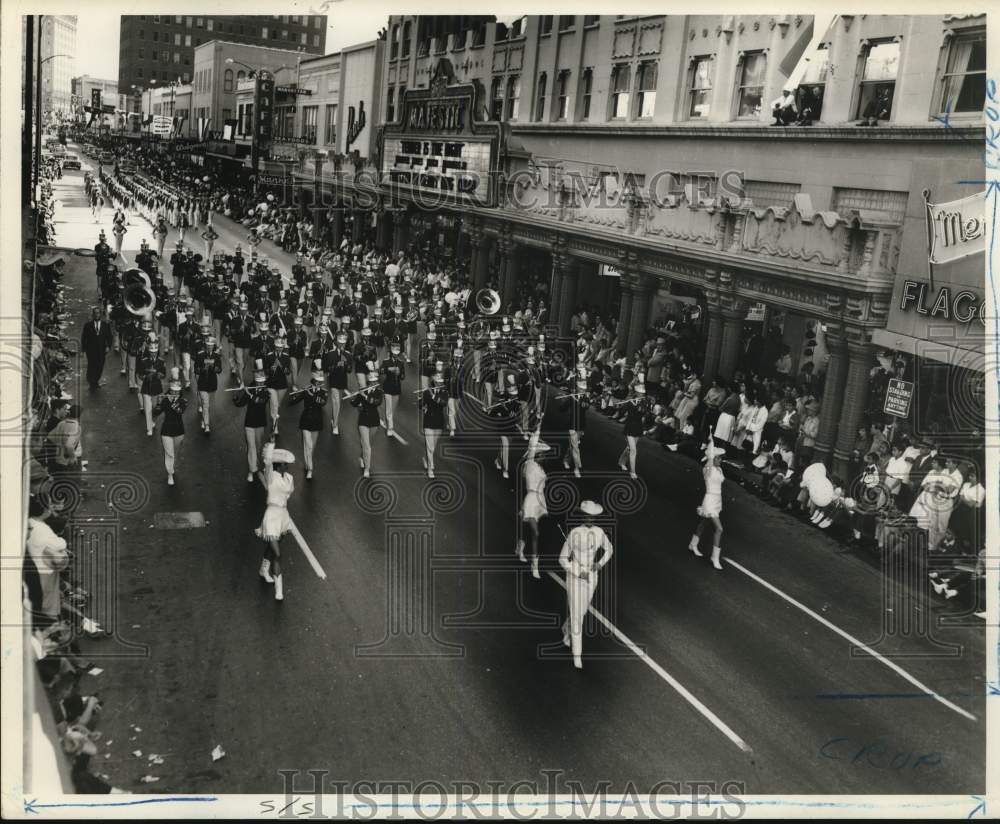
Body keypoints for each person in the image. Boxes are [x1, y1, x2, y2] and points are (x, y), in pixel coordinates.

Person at [559, 500, 614, 670]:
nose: (590, 519)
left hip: (592, 577)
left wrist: (600, 564)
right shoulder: (574, 533)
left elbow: (609, 549)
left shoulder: (599, 532)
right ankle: (577, 655)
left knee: (581, 611)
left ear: (596, 517)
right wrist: (577, 571)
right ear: (583, 516)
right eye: (587, 516)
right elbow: (562, 559)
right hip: (575, 577)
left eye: (593, 516)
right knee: (577, 617)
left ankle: (566, 630)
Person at [254, 441, 296, 601]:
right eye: (285, 464)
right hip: (271, 516)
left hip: (283, 516)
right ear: (278, 465)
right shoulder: (270, 476)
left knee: (272, 549)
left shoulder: (289, 478)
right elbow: (266, 462)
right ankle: (279, 591)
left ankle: (263, 570)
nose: (288, 467)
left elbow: (288, 494)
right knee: (277, 554)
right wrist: (271, 444)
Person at [26, 496, 70, 629]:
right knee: (49, 601)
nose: (52, 507)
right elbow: (59, 543)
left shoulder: (31, 522)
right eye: (49, 505)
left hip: (37, 565)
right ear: (43, 510)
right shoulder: (41, 529)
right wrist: (63, 542)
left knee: (44, 598)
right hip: (46, 569)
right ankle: (52, 627)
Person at [517, 435, 550, 580]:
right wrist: (536, 431)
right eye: (542, 455)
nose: (545, 457)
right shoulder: (529, 465)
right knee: (535, 532)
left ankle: (520, 547)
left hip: (540, 500)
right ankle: (534, 566)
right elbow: (531, 450)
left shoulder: (541, 468)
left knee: (529, 528)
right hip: (531, 499)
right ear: (536, 455)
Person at [288, 360, 328, 480]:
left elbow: (322, 403)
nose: (320, 384)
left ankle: (307, 464)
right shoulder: (306, 390)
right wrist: (294, 395)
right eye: (318, 382)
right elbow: (294, 401)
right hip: (305, 420)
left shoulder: (324, 393)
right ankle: (310, 469)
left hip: (316, 421)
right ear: (314, 381)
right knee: (308, 444)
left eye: (321, 382)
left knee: (312, 447)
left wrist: (312, 394)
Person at [689, 442, 725, 570]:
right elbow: (708, 464)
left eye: (721, 458)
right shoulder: (707, 469)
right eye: (718, 457)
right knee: (719, 529)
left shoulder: (719, 469)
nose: (721, 460)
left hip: (717, 501)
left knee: (703, 523)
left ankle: (693, 544)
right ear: (712, 458)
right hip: (709, 499)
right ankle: (714, 558)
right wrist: (710, 452)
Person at [234, 363, 271, 482]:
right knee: (251, 447)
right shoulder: (250, 388)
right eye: (258, 382)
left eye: (262, 382)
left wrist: (249, 394)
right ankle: (251, 470)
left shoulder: (266, 392)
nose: (260, 384)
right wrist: (237, 395)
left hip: (260, 423)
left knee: (258, 446)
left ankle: (257, 466)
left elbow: (259, 401)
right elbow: (240, 404)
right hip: (249, 422)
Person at [152, 368, 187, 485]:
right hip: (166, 430)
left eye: (177, 391)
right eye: (173, 391)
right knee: (169, 453)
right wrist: (158, 403)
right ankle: (170, 474)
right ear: (170, 390)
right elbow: (156, 412)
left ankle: (172, 468)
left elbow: (180, 411)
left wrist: (172, 402)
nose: (175, 394)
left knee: (175, 453)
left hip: (179, 431)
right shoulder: (165, 400)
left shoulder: (183, 401)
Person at [351, 363, 384, 478]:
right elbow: (354, 404)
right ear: (369, 381)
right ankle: (367, 468)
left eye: (375, 381)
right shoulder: (363, 390)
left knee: (369, 443)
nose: (373, 383)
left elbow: (376, 402)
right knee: (366, 446)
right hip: (363, 419)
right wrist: (353, 397)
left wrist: (364, 396)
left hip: (374, 420)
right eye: (371, 381)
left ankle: (362, 456)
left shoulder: (379, 392)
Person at [194, 335, 222, 433]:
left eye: (211, 345)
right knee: (205, 404)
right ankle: (207, 425)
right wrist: (203, 369)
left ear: (213, 346)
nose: (209, 347)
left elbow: (219, 370)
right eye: (208, 345)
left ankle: (204, 419)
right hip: (202, 384)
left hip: (212, 384)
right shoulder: (200, 355)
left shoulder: (216, 356)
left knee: (209, 405)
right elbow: (196, 369)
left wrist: (214, 367)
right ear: (205, 345)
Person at [138, 340, 166, 437]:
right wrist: (146, 377)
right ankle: (149, 428)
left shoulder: (161, 361)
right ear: (149, 351)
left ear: (157, 351)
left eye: (155, 351)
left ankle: (152, 421)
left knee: (154, 407)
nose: (153, 353)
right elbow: (140, 374)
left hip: (156, 388)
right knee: (148, 408)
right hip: (146, 388)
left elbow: (164, 374)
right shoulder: (144, 361)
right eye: (152, 351)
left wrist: (159, 375)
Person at [80, 307, 112, 391]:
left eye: (98, 313)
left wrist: (108, 346)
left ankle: (96, 380)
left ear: (100, 314)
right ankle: (92, 382)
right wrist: (83, 350)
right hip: (90, 350)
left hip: (101, 350)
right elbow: (84, 338)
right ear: (93, 314)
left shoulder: (105, 325)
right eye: (95, 313)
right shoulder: (88, 325)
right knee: (91, 366)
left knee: (100, 365)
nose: (97, 314)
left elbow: (109, 336)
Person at [380, 342, 406, 437]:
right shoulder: (386, 361)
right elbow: (381, 371)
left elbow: (403, 376)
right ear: (391, 352)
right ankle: (390, 428)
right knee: (389, 409)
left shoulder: (401, 363)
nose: (395, 354)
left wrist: (400, 374)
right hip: (387, 387)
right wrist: (388, 369)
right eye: (394, 352)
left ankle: (386, 420)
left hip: (397, 388)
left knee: (393, 409)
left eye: (397, 352)